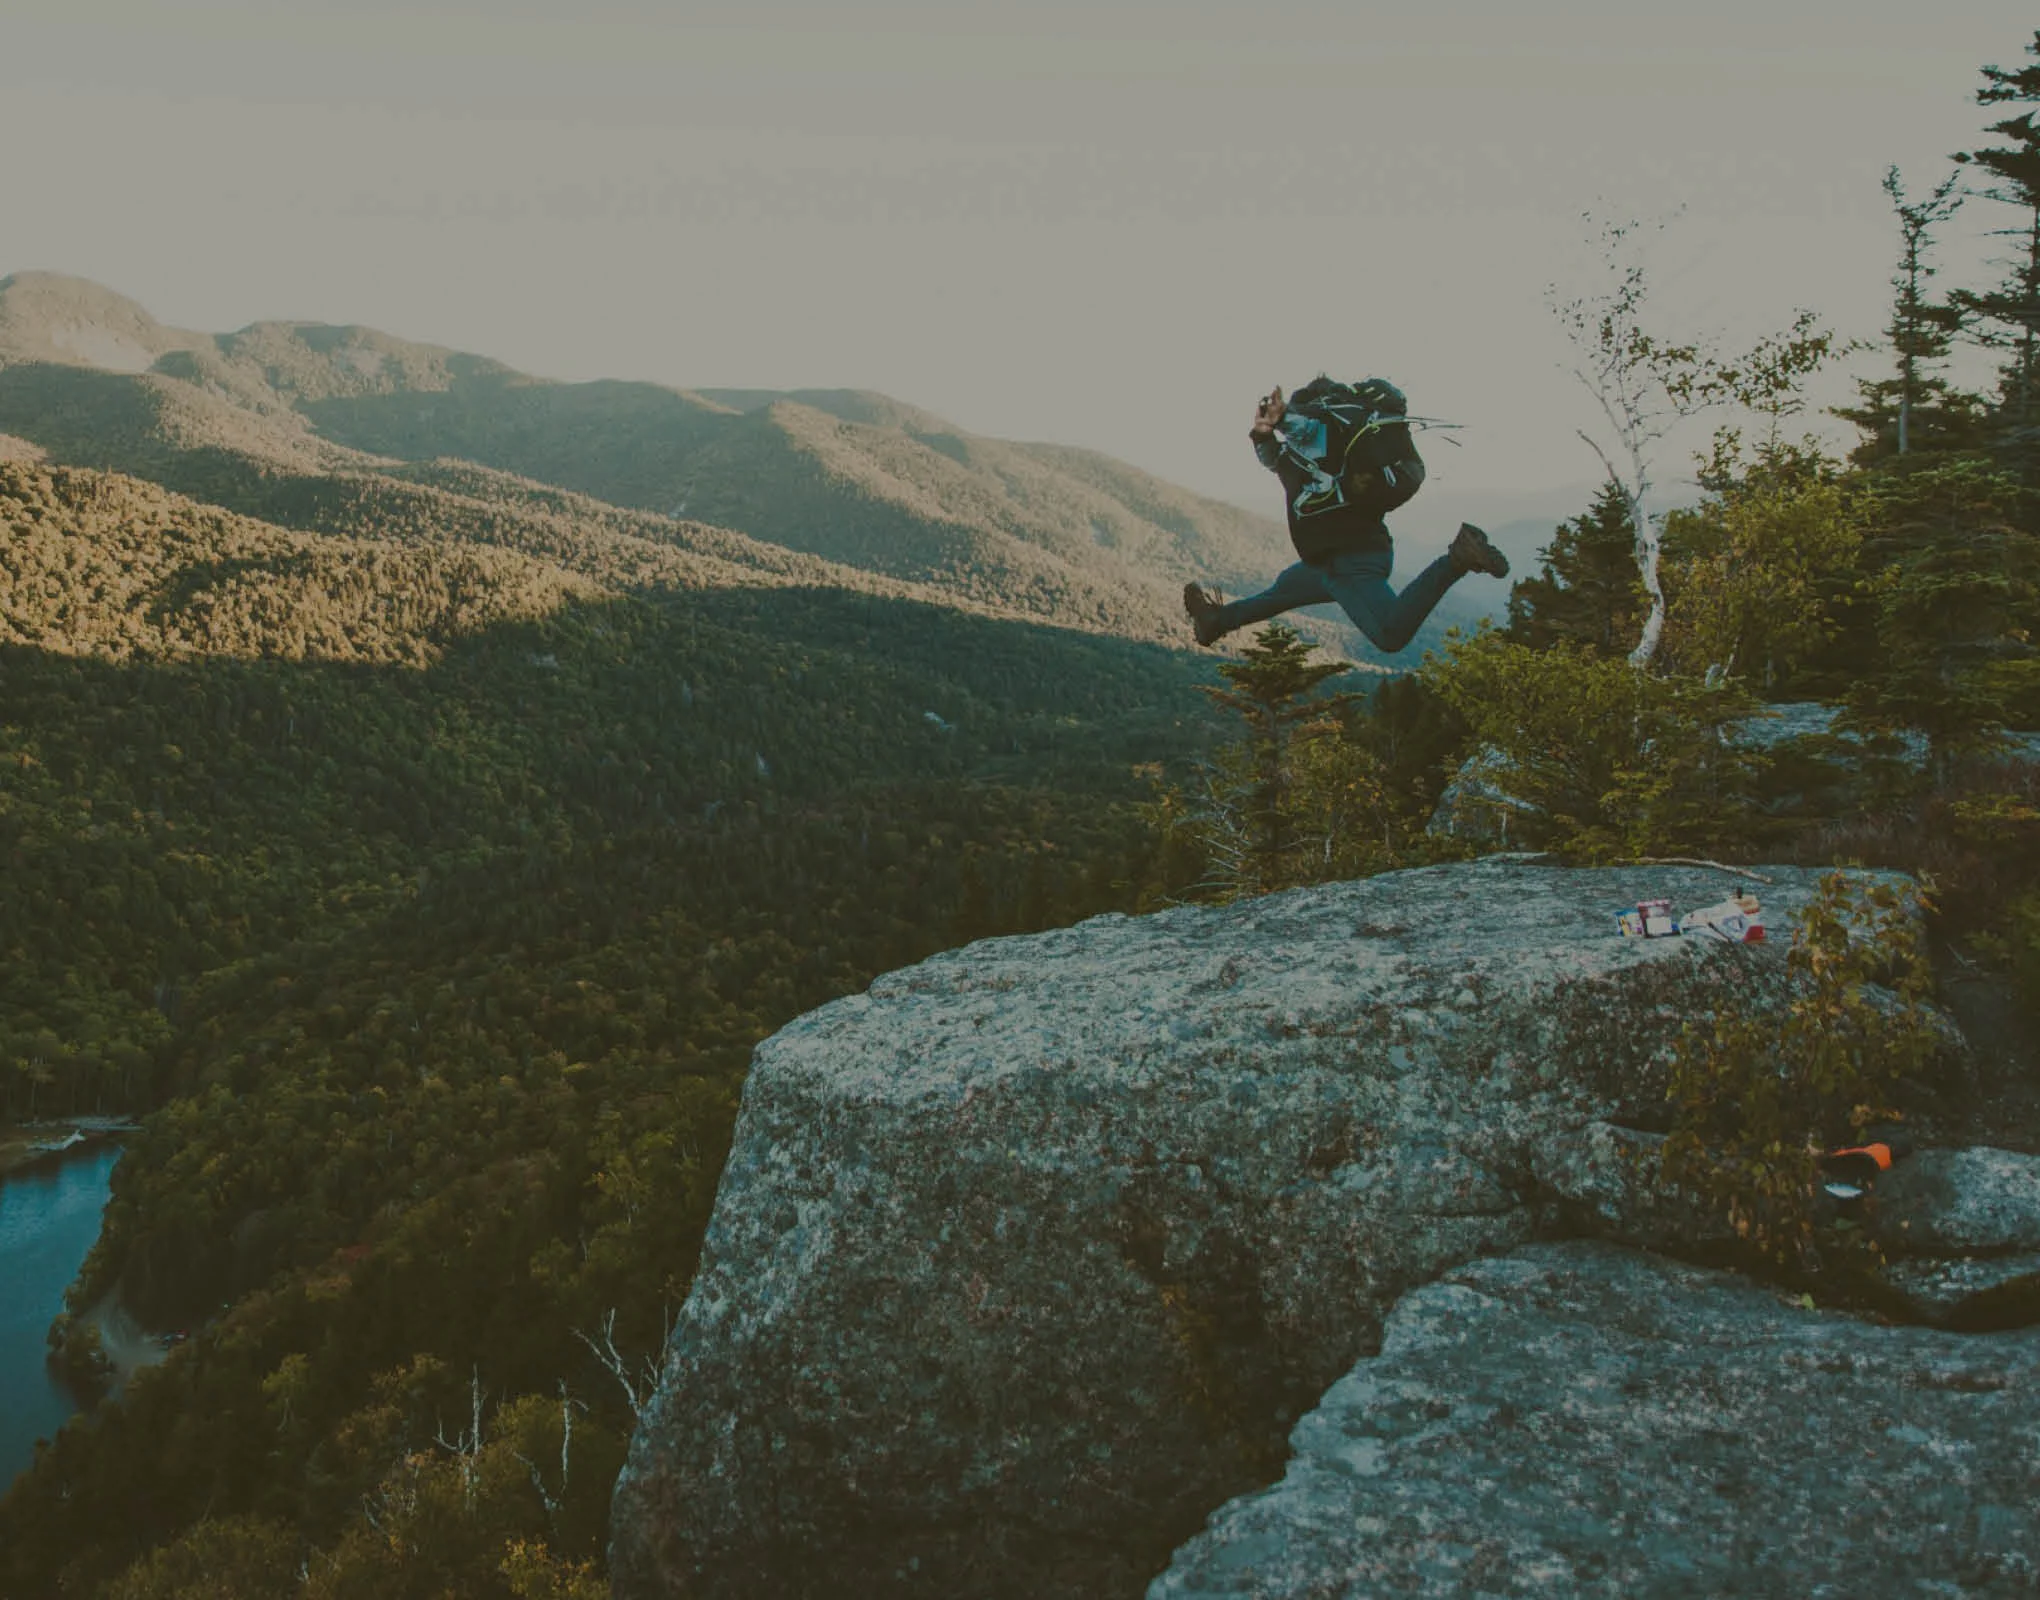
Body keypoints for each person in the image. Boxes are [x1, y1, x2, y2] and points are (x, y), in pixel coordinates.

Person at [1183, 381, 1510, 652]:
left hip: (1352, 561)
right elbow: (1272, 458)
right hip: (1325, 562)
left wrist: (1283, 420)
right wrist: (1263, 432)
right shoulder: (1295, 462)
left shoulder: (1323, 437)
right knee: (1282, 590)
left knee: (1390, 636)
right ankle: (1216, 621)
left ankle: (1456, 560)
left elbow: (1308, 429)